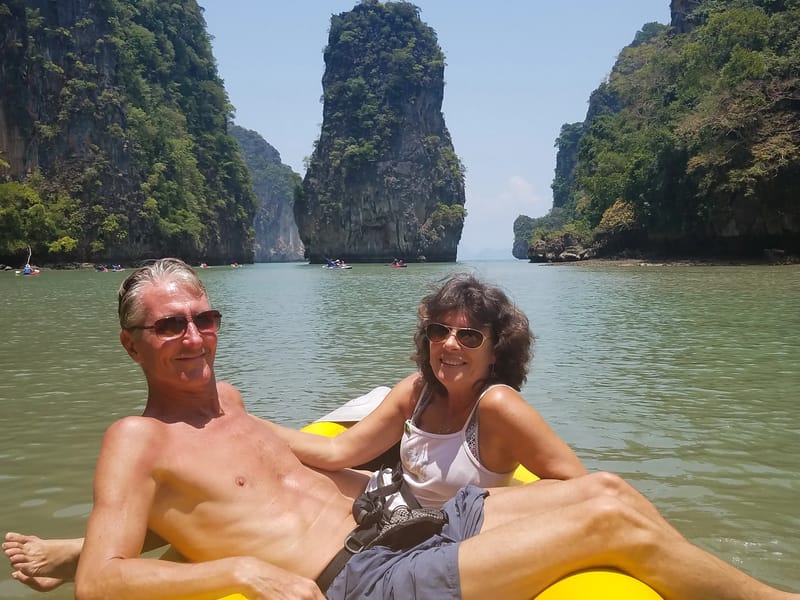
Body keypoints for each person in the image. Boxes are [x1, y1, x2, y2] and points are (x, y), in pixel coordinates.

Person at [5, 259, 798, 599]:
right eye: (169, 325)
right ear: (132, 344)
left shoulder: (232, 404)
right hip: (366, 578)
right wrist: (240, 574)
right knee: (605, 523)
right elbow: (104, 583)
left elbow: (235, 490)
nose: (193, 336)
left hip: (402, 518)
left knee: (609, 491)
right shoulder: (135, 439)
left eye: (203, 318)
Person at [267, 272, 587, 509]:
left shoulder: (497, 406)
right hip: (393, 509)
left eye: (469, 336)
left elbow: (579, 485)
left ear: (496, 352)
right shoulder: (416, 391)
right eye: (439, 331)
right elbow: (338, 451)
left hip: (448, 540)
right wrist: (248, 424)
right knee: (291, 477)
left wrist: (485, 507)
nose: (450, 344)